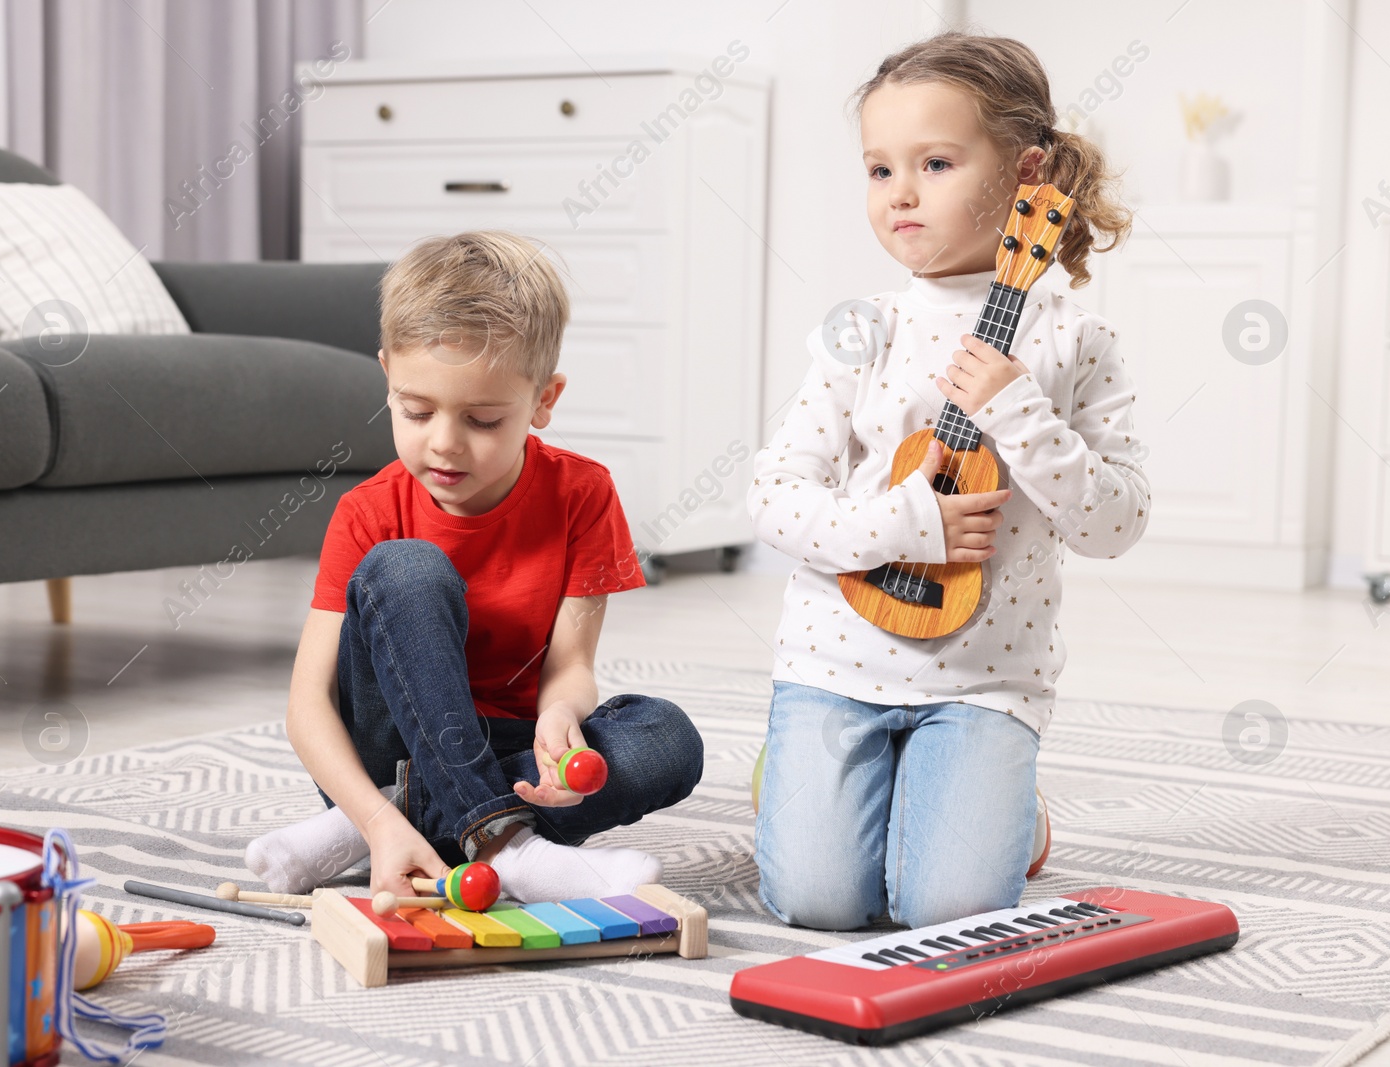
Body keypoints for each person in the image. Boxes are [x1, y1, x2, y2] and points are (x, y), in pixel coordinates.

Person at [750, 31, 1147, 931]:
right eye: (879, 169)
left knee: (949, 909)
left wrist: (1022, 416)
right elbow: (773, 494)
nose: (901, 195)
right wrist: (901, 527)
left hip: (983, 680)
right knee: (817, 902)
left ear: (1024, 172)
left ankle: (1012, 804)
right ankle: (798, 773)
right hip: (835, 664)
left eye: (934, 162)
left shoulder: (1078, 342)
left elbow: (1115, 523)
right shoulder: (861, 329)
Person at [247, 231, 704, 904]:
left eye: (484, 419)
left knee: (666, 740)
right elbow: (307, 705)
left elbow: (571, 664)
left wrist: (560, 719)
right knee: (405, 568)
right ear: (387, 378)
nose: (444, 443)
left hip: (509, 748)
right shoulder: (366, 511)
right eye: (415, 409)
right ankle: (501, 843)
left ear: (544, 400)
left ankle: (373, 820)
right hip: (388, 742)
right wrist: (383, 818)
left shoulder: (583, 494)